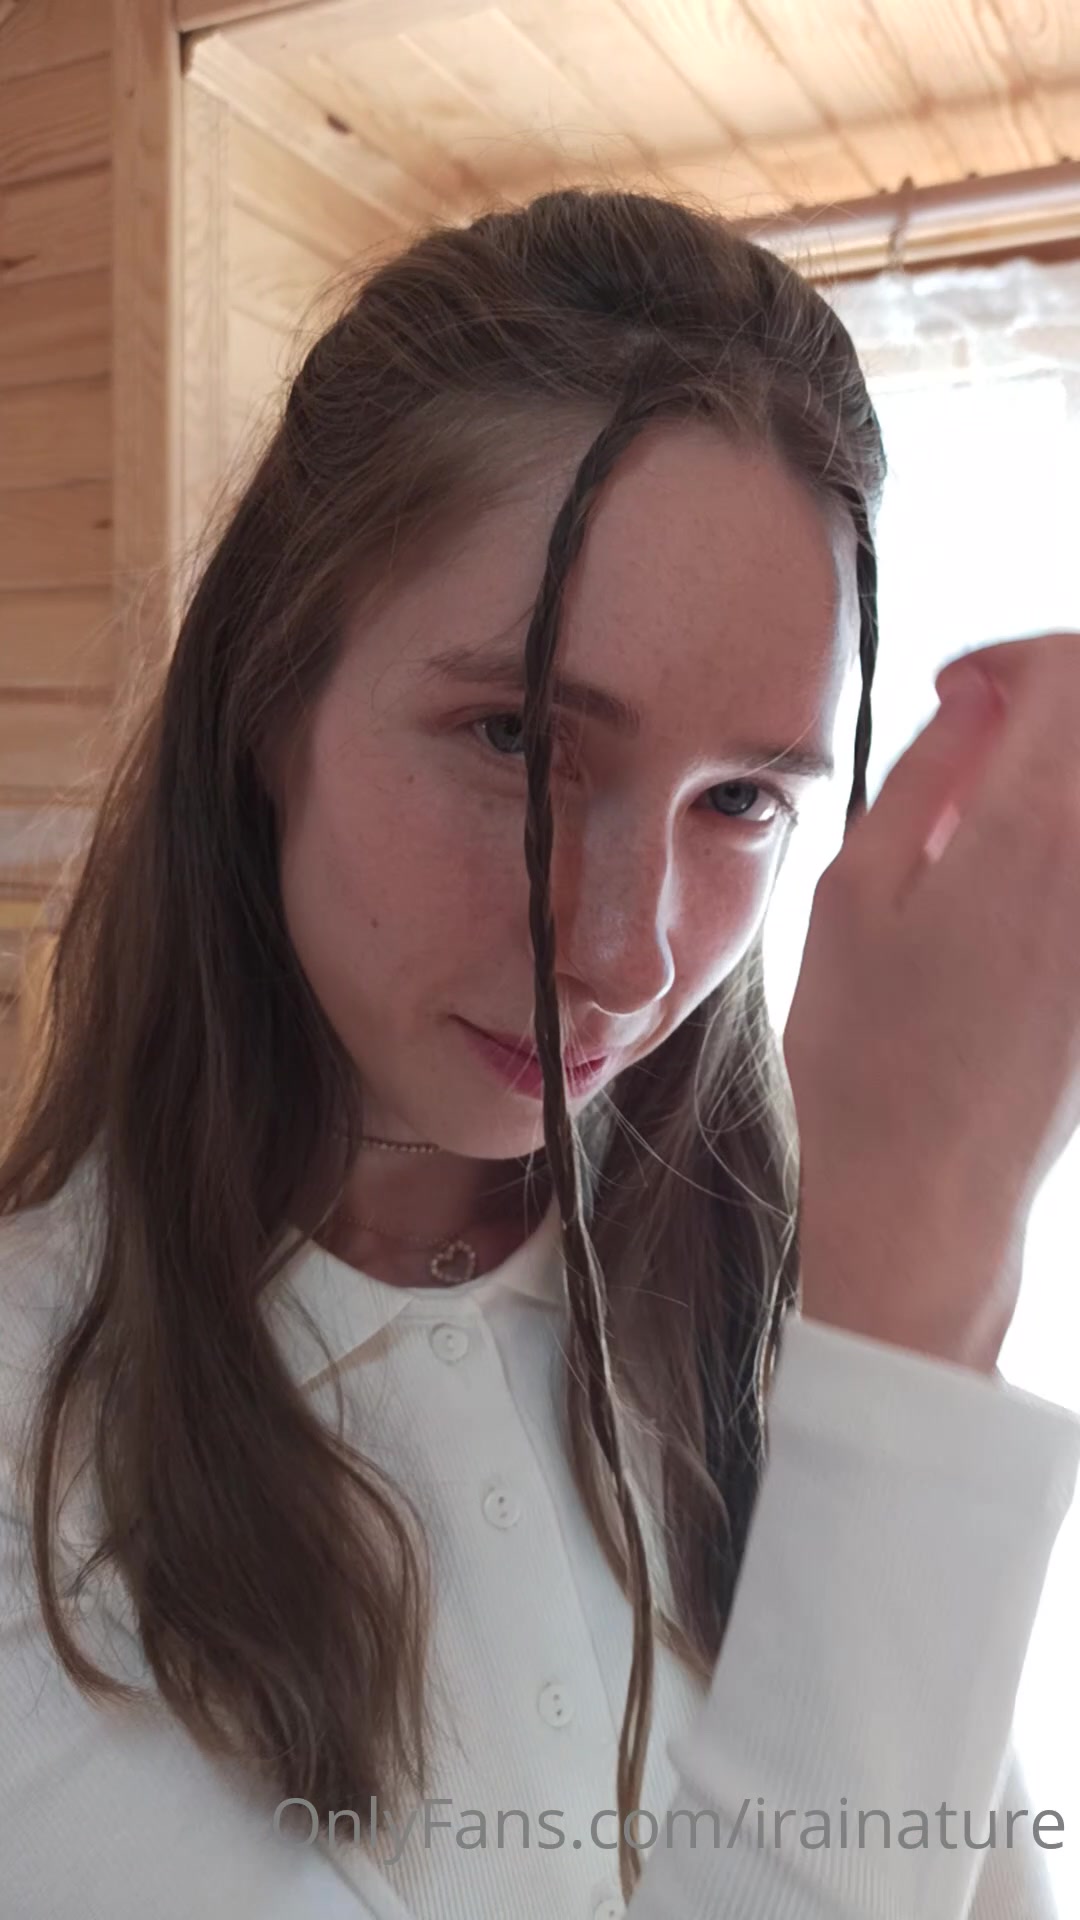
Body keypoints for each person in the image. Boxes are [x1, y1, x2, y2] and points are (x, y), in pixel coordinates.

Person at [1, 186, 1078, 1920]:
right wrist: (917, 1298)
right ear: (271, 694)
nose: (626, 955)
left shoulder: (740, 1360)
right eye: (513, 737)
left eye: (743, 800)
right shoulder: (32, 1441)